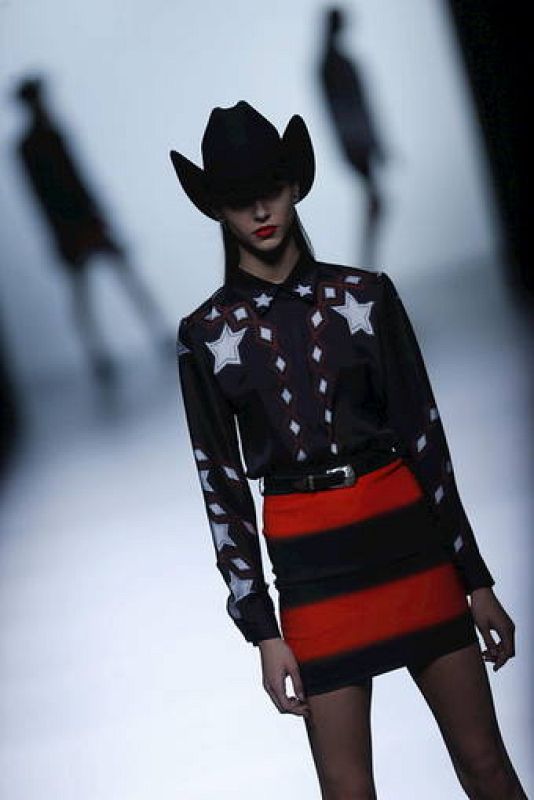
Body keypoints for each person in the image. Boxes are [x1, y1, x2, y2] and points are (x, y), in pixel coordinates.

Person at [171, 101, 527, 799]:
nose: (260, 211)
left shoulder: (365, 296)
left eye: (271, 189)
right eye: (239, 199)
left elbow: (426, 439)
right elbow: (222, 489)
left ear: (295, 186)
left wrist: (475, 577)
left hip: (411, 547)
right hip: (312, 575)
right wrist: (261, 630)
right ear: (217, 209)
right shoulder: (206, 336)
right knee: (347, 791)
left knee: (486, 766)